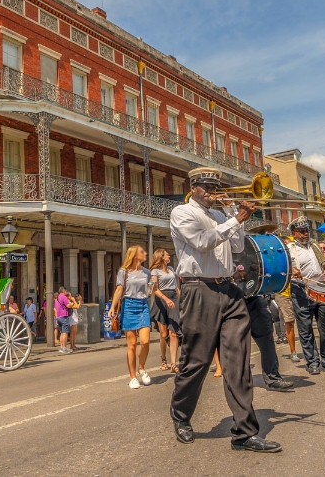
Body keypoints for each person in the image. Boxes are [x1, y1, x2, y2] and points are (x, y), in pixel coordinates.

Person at [169, 167, 279, 453]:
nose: (210, 191)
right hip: (198, 290)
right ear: (193, 187)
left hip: (229, 290)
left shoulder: (220, 216)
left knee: (238, 363)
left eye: (213, 186)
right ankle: (180, 414)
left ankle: (244, 433)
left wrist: (236, 218)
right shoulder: (182, 213)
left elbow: (238, 244)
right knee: (197, 361)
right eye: (205, 186)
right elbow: (202, 243)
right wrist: (237, 219)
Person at [107, 245, 173, 389]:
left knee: (145, 341)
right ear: (135, 255)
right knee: (131, 345)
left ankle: (141, 368)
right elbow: (119, 290)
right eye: (142, 252)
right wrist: (112, 307)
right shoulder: (124, 272)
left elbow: (151, 290)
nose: (145, 254)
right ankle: (132, 377)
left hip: (143, 305)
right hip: (128, 306)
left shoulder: (147, 272)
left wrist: (155, 287)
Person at [286, 216, 325, 375]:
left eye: (307, 231)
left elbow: (323, 262)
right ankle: (312, 361)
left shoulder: (315, 246)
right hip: (301, 290)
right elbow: (284, 269)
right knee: (305, 329)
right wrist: (292, 270)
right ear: (293, 233)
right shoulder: (289, 249)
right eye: (301, 232)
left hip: (321, 287)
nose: (305, 234)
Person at [245, 294, 294, 391]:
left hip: (256, 300)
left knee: (267, 343)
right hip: (234, 302)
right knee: (238, 347)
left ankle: (273, 379)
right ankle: (239, 381)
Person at [150, 248, 182, 372]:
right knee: (163, 333)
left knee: (173, 332)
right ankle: (163, 359)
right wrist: (165, 299)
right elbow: (154, 289)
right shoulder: (155, 271)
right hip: (161, 300)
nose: (169, 256)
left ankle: (174, 363)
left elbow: (175, 286)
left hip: (173, 299)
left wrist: (179, 298)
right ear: (161, 257)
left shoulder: (172, 270)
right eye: (167, 255)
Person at [54, 287, 72, 353]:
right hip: (64, 316)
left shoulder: (56, 299)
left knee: (61, 332)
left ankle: (61, 347)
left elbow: (55, 309)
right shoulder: (64, 297)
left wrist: (56, 318)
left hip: (58, 317)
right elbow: (68, 305)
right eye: (66, 290)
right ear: (63, 291)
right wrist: (72, 304)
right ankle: (64, 347)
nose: (66, 291)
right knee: (65, 332)